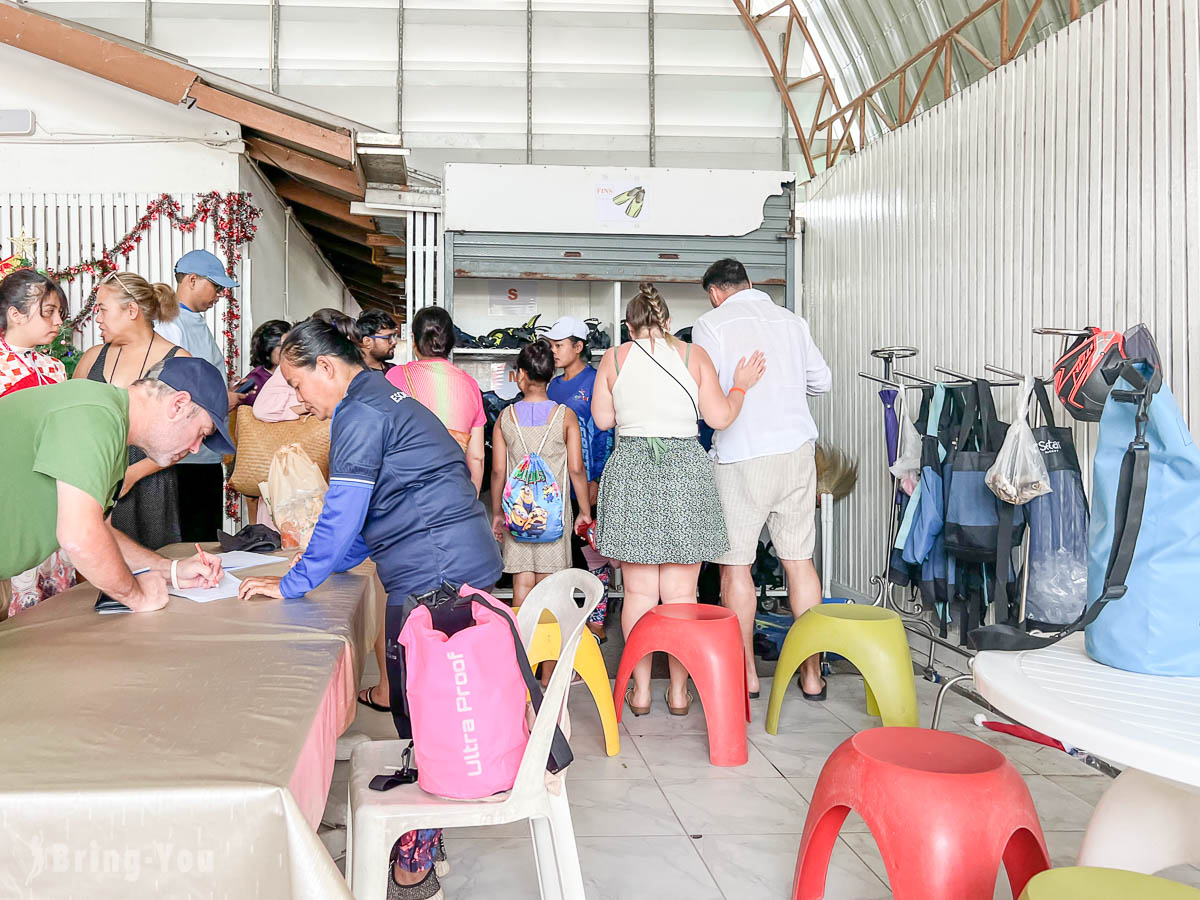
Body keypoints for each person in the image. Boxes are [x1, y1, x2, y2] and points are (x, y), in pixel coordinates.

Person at [235, 316, 501, 900]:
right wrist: (311, 568)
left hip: (437, 572)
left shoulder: (361, 411)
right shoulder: (378, 398)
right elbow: (366, 520)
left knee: (426, 706)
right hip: (445, 561)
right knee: (416, 701)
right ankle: (424, 828)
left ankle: (415, 855)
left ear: (325, 368)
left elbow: (344, 513)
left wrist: (293, 583)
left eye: (300, 387)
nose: (300, 404)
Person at [591, 284, 765, 717]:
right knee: (681, 595)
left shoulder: (614, 358)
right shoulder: (693, 356)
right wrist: (740, 387)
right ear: (667, 323)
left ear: (628, 327)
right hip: (685, 470)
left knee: (638, 593)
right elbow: (719, 417)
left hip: (633, 468)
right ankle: (680, 693)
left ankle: (643, 690)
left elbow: (602, 419)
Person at [692, 258, 833, 700]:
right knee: (799, 563)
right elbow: (822, 382)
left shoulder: (711, 323)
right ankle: (811, 676)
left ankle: (748, 676)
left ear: (715, 292)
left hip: (741, 456)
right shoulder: (792, 322)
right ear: (749, 284)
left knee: (737, 568)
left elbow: (705, 395)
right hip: (796, 454)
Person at [0, 356, 232, 615]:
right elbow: (80, 536)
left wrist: (170, 571)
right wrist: (139, 597)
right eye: (201, 433)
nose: (195, 448)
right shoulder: (93, 413)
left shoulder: (109, 422)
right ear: (178, 405)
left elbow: (99, 531)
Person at [73, 272, 192, 551]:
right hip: (95, 480)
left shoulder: (178, 361)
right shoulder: (93, 357)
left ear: (131, 310)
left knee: (152, 568)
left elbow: (187, 437)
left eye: (102, 309)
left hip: (150, 483)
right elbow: (72, 421)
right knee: (94, 571)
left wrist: (133, 474)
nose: (97, 318)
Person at [490, 338, 592, 607]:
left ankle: (523, 645)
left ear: (521, 374)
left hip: (518, 513)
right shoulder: (565, 416)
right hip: (553, 514)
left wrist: (498, 514)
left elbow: (498, 470)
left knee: (521, 581)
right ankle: (551, 646)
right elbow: (576, 469)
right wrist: (584, 511)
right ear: (550, 375)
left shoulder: (505, 416)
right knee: (552, 583)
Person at [154, 249, 244, 542]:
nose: (219, 295)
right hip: (182, 460)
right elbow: (167, 389)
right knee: (188, 543)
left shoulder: (194, 322)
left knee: (205, 539)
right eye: (216, 286)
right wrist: (221, 400)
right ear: (191, 280)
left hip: (205, 454)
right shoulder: (169, 326)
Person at [0, 270, 73, 617]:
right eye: (48, 311)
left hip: (52, 487)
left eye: (60, 312)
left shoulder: (55, 368)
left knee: (57, 593)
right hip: (10, 493)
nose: (57, 321)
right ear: (14, 314)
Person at [545, 315, 614, 640]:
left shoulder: (596, 381)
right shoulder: (553, 385)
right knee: (567, 556)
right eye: (551, 345)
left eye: (559, 345)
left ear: (579, 346)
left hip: (587, 484)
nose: (554, 351)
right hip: (556, 486)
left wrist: (597, 479)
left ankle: (597, 621)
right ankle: (570, 619)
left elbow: (605, 433)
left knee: (594, 556)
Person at [387, 306, 487, 491]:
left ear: (414, 341)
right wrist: (469, 502)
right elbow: (476, 457)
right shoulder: (471, 385)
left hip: (407, 495)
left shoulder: (395, 377)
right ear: (451, 342)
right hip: (453, 493)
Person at [237, 319, 290, 406]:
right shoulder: (255, 382)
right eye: (282, 346)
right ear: (267, 348)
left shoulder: (285, 374)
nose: (290, 350)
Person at [357, 308, 398, 373]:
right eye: (388, 337)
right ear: (367, 341)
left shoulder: (394, 372)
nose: (395, 342)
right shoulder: (352, 374)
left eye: (394, 336)